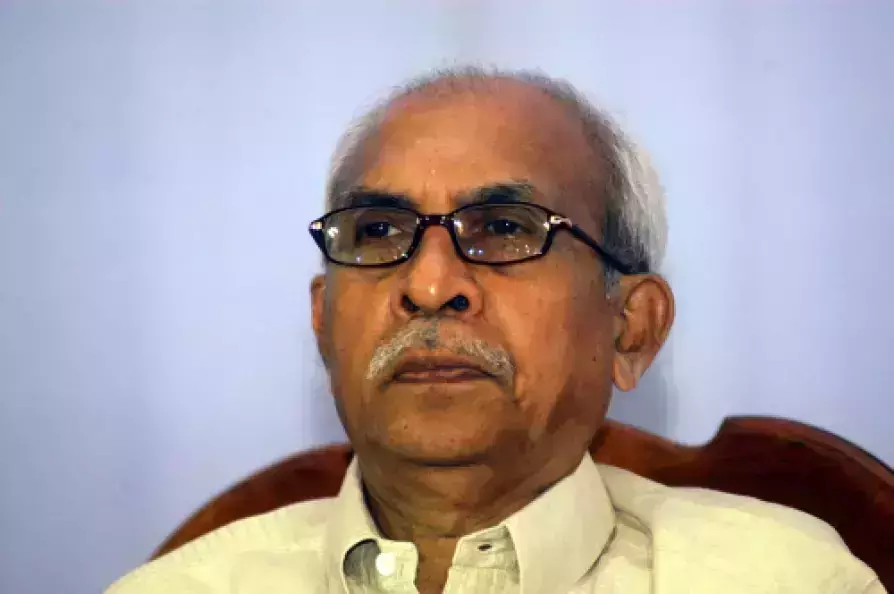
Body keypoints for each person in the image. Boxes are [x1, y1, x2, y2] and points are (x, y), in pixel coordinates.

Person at [108, 67, 884, 594]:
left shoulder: (781, 580)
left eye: (506, 227)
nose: (429, 285)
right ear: (322, 324)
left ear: (631, 329)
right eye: (378, 231)